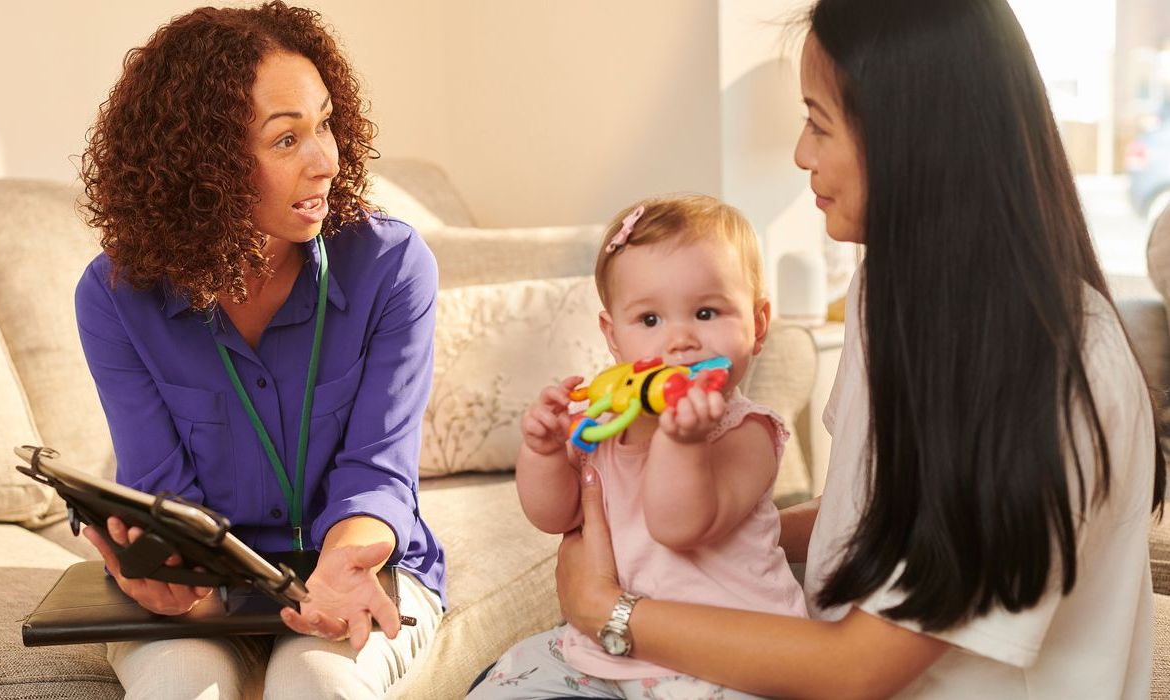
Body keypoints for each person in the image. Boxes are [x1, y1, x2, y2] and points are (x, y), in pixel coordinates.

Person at [551, 0, 1168, 697]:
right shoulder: (895, 285)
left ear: (910, 139)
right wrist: (698, 536)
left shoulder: (1048, 366)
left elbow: (856, 669)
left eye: (817, 123)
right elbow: (875, 517)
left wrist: (610, 608)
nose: (799, 153)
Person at [74, 3, 444, 698]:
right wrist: (177, 585)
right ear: (202, 168)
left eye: (326, 124)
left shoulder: (392, 266)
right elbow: (162, 492)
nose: (326, 161)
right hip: (201, 586)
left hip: (360, 566)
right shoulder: (115, 295)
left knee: (316, 684)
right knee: (183, 686)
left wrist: (342, 568)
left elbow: (378, 468)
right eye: (286, 140)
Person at [469, 195, 807, 699]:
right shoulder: (603, 423)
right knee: (505, 685)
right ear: (613, 337)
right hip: (605, 652)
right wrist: (543, 451)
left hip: (726, 658)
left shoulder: (747, 432)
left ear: (757, 325)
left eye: (707, 312)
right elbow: (554, 514)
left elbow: (678, 526)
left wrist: (679, 439)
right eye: (650, 321)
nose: (679, 341)